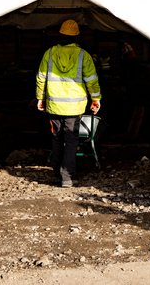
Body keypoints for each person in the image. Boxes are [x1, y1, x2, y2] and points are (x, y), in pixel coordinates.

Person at [35, 19, 102, 188]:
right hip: (75, 107)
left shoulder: (49, 53)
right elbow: (92, 80)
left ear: (60, 35)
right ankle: (67, 177)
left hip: (54, 106)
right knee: (71, 141)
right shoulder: (83, 55)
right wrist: (96, 99)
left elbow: (41, 77)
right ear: (76, 37)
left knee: (56, 139)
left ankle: (57, 175)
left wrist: (40, 98)